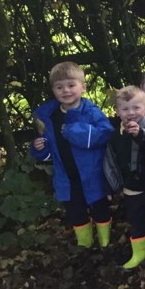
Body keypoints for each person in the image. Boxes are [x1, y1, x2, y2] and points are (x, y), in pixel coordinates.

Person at [30, 62, 114, 248]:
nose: (66, 91)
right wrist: (39, 148)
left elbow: (105, 133)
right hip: (66, 176)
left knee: (99, 208)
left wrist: (73, 131)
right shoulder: (49, 117)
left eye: (71, 85)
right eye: (59, 87)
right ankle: (85, 244)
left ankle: (105, 243)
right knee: (76, 212)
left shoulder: (90, 111)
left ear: (83, 87)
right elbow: (47, 149)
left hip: (93, 174)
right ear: (53, 90)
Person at [105, 86, 145, 269]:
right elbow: (110, 162)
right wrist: (113, 186)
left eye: (136, 108)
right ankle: (140, 253)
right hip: (130, 189)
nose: (131, 113)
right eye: (125, 109)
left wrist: (141, 134)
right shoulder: (115, 136)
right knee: (136, 222)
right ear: (117, 111)